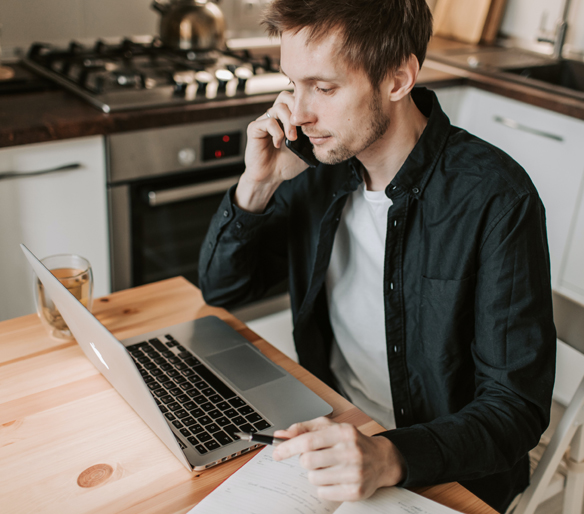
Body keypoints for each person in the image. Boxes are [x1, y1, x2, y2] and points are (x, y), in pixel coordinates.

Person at [198, 0, 556, 511]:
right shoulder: (313, 164)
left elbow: (515, 409)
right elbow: (223, 289)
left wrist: (387, 455)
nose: (298, 113)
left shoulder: (496, 198)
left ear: (396, 79)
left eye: (324, 88)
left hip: (447, 472)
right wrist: (257, 185)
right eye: (292, 84)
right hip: (333, 429)